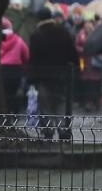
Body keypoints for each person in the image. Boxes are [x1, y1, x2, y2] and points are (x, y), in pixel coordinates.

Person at [27, 7, 77, 137]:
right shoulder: (63, 32)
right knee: (61, 103)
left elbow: (33, 59)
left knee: (46, 105)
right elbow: (73, 54)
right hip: (62, 75)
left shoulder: (36, 35)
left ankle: (48, 131)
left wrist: (31, 78)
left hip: (43, 76)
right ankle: (63, 130)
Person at [0, 17, 30, 111]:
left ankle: (2, 114)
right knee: (12, 94)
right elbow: (26, 56)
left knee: (0, 94)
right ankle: (13, 115)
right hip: (15, 70)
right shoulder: (18, 40)